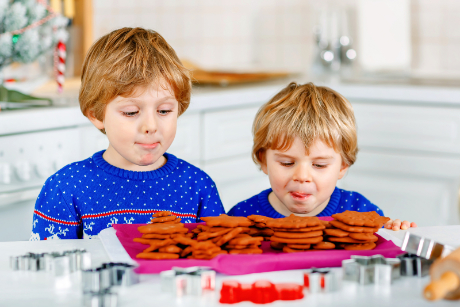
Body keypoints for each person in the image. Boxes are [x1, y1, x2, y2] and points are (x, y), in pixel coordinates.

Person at [30, 28, 225, 240]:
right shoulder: (65, 189)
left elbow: (219, 260)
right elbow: (50, 268)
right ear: (96, 115)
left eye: (164, 111)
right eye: (131, 112)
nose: (150, 126)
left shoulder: (198, 186)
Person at [228, 82, 416, 231]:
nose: (302, 176)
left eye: (319, 165)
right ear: (263, 161)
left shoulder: (361, 211)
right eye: (287, 163)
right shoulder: (241, 217)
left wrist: (395, 232)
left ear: (343, 166)